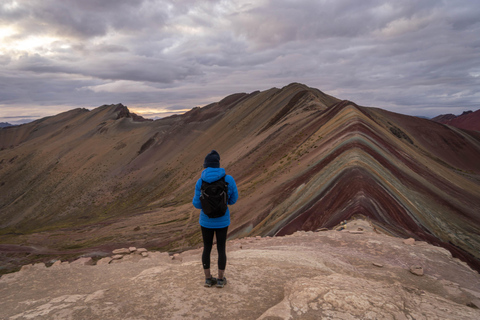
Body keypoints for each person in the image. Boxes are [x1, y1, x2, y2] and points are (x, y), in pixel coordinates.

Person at [193, 150, 238, 288]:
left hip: (205, 221)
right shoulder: (228, 179)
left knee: (207, 248)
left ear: (206, 166)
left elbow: (196, 203)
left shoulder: (200, 181)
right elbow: (233, 199)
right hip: (222, 221)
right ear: (218, 165)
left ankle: (208, 279)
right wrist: (222, 203)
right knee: (221, 248)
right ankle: (220, 279)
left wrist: (207, 204)